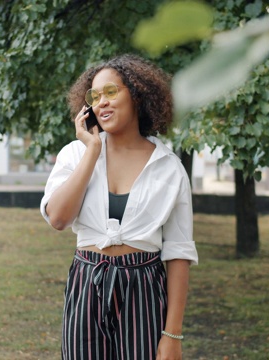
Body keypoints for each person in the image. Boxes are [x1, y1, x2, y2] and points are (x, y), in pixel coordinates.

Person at [40, 54, 198, 360]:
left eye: (111, 92)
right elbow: (58, 218)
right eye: (94, 97)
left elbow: (178, 252)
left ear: (137, 95)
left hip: (143, 287)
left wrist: (172, 335)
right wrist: (92, 151)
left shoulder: (169, 168)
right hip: (87, 283)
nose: (102, 103)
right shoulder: (75, 154)